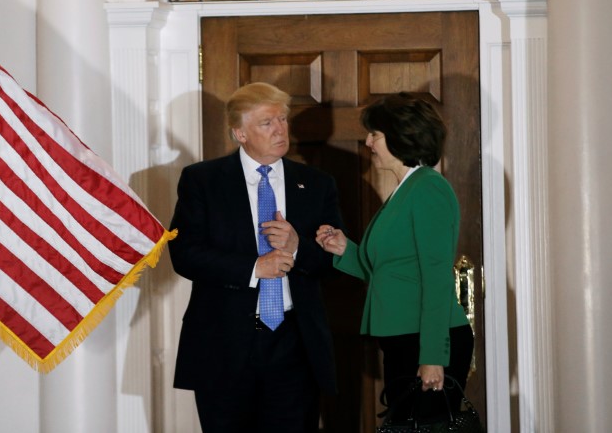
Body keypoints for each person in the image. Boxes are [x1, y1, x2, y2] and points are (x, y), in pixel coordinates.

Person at [169, 82, 344, 433]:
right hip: (224, 343)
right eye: (267, 123)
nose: (280, 129)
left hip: (295, 343)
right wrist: (254, 268)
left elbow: (334, 261)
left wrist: (297, 246)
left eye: (283, 119)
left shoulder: (317, 183)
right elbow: (185, 254)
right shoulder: (202, 180)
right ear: (240, 132)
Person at [315, 92, 473, 422]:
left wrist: (433, 356)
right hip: (402, 337)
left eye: (375, 134)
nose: (368, 143)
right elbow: (390, 272)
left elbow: (434, 277)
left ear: (401, 138)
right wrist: (345, 250)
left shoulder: (428, 188)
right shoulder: (405, 190)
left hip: (422, 340)